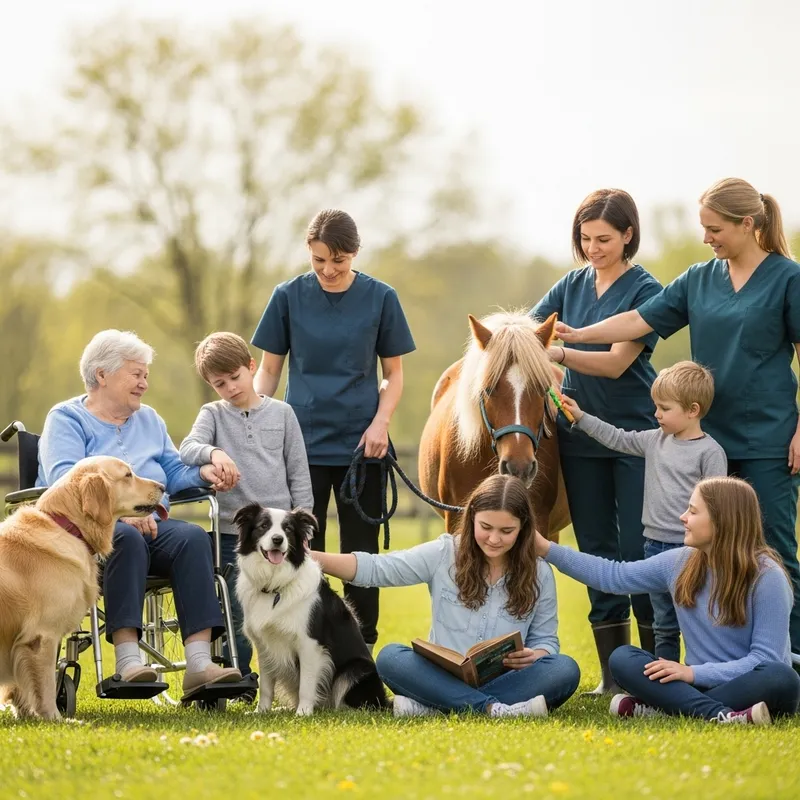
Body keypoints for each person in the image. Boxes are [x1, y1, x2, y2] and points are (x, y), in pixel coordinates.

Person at [555, 178, 800, 666]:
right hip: (705, 439)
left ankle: (786, 660)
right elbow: (637, 322)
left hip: (767, 437)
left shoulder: (787, 278)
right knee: (703, 556)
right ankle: (719, 659)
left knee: (775, 550)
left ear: (747, 224)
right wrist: (578, 334)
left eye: (714, 229)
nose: (707, 238)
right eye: (704, 229)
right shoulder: (698, 278)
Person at [37, 330, 243, 693]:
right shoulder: (67, 419)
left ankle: (200, 664)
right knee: (126, 538)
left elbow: (173, 473)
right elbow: (64, 482)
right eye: (136, 374)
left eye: (146, 374)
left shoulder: (149, 420)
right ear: (102, 375)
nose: (144, 384)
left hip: (152, 526)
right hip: (89, 536)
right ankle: (129, 662)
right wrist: (121, 514)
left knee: (193, 537)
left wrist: (203, 473)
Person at [250, 209, 416, 652]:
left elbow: (393, 374)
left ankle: (360, 650)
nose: (328, 269)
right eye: (319, 259)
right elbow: (268, 371)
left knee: (361, 554)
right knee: (303, 554)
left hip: (363, 449)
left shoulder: (382, 298)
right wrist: (252, 417)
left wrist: (381, 423)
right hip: (300, 446)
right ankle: (312, 648)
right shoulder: (287, 296)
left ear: (355, 253)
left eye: (338, 261)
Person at [534, 476, 800, 724]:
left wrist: (693, 673)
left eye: (693, 512)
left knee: (781, 677)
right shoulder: (680, 562)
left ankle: (665, 708)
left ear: (723, 521)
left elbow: (765, 658)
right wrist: (546, 548)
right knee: (622, 658)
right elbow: (613, 576)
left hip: (749, 684)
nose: (683, 517)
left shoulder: (767, 577)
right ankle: (723, 714)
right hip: (698, 686)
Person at [311, 474, 581, 718]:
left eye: (506, 531)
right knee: (390, 658)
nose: (494, 539)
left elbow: (546, 640)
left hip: (507, 679)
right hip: (442, 675)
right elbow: (379, 568)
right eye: (486, 527)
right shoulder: (445, 554)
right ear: (472, 516)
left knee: (565, 669)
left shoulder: (540, 572)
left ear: (523, 528)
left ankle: (436, 706)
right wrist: (309, 557)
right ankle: (493, 709)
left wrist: (537, 654)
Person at [531, 188, 660, 693]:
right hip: (578, 436)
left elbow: (615, 362)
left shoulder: (647, 289)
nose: (593, 249)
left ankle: (651, 668)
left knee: (637, 551)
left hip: (634, 435)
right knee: (596, 550)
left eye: (604, 239)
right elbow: (529, 329)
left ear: (628, 235)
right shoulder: (572, 282)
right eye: (585, 239)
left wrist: (561, 354)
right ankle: (612, 677)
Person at [561, 361, 727, 662]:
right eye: (656, 407)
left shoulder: (711, 453)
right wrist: (581, 416)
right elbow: (616, 437)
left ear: (692, 409)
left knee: (699, 620)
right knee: (664, 624)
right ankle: (665, 685)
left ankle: (704, 676)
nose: (656, 414)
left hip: (693, 553)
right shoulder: (654, 441)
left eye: (664, 408)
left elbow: (718, 509)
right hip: (654, 549)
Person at [180, 331, 314, 686]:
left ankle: (296, 678)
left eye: (235, 377)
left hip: (282, 536)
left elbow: (299, 474)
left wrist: (303, 531)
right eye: (219, 383)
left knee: (287, 608)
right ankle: (240, 677)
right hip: (232, 536)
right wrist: (214, 453)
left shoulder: (283, 414)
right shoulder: (212, 414)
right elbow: (188, 447)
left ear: (251, 366)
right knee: (236, 611)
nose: (230, 388)